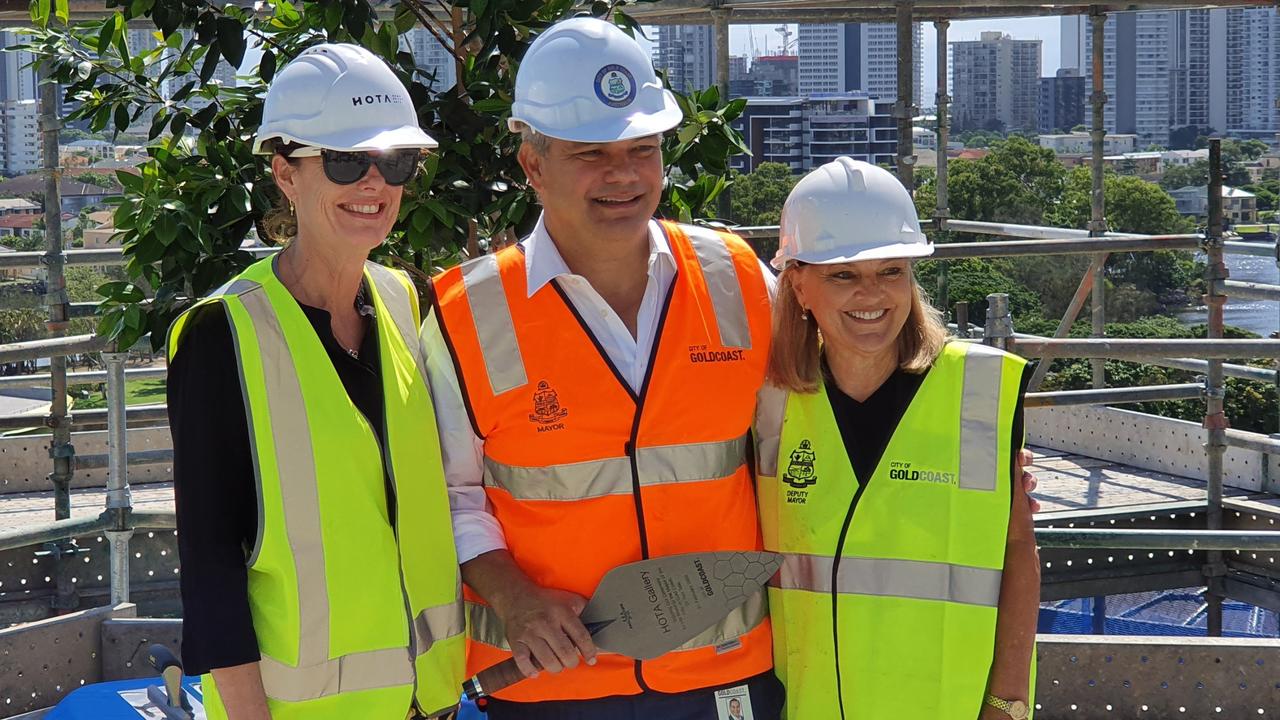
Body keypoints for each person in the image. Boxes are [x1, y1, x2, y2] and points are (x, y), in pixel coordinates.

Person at [423, 16, 785, 720]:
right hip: (551, 689)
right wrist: (515, 599)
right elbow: (448, 496)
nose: (623, 175)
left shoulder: (738, 280)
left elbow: (804, 449)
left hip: (726, 679)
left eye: (642, 150)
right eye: (591, 153)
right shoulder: (467, 314)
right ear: (534, 165)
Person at [168, 44, 464, 719]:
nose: (373, 184)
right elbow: (210, 569)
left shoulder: (406, 302)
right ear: (285, 175)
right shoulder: (224, 334)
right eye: (343, 161)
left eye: (395, 162)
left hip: (433, 704)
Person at [754, 157, 1040, 720]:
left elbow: (1016, 555)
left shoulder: (978, 390)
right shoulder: (767, 404)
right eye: (843, 274)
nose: (873, 294)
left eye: (891, 271)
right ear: (799, 285)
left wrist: (1007, 703)